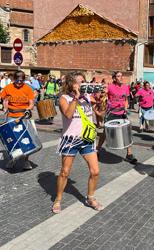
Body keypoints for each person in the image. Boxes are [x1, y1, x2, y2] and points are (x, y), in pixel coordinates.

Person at [52, 71, 103, 214]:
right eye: (79, 82)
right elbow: (68, 114)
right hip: (71, 140)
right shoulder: (64, 98)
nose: (82, 85)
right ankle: (58, 199)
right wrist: (75, 97)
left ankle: (90, 197)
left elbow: (100, 114)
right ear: (71, 84)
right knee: (64, 172)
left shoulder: (88, 97)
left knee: (95, 171)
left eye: (83, 82)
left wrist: (102, 101)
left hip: (87, 138)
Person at [0, 70, 35, 170]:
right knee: (12, 139)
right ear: (14, 79)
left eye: (21, 80)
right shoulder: (8, 88)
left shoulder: (27, 88)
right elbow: (5, 100)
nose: (19, 82)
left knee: (26, 139)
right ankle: (13, 160)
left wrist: (29, 109)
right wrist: (5, 108)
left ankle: (26, 161)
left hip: (24, 115)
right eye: (17, 80)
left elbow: (31, 102)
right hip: (12, 115)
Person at [104, 71, 137, 164]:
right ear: (114, 78)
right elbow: (103, 95)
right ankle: (97, 150)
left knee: (127, 132)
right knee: (105, 132)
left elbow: (126, 99)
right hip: (111, 112)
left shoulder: (126, 87)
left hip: (122, 112)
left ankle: (129, 154)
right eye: (119, 76)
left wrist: (126, 108)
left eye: (121, 76)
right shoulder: (110, 87)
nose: (121, 77)